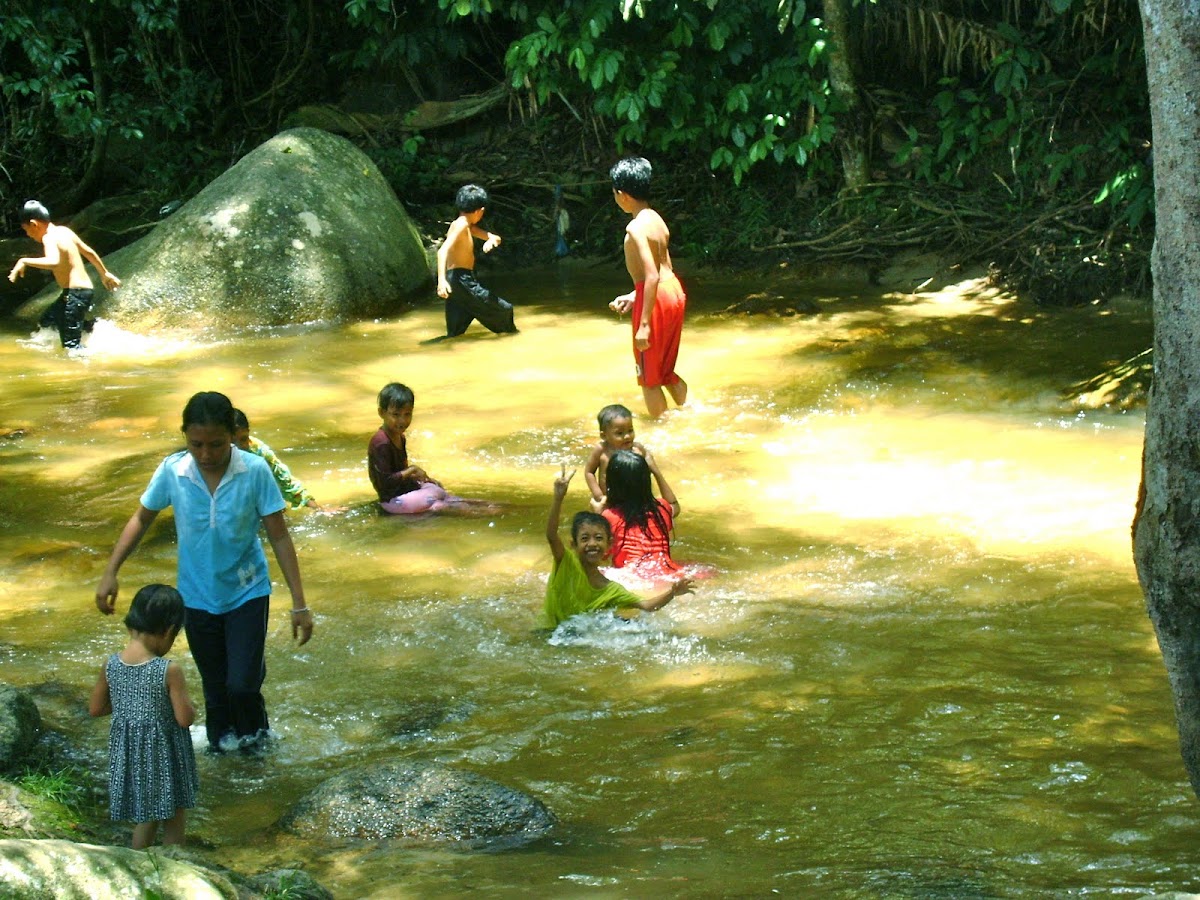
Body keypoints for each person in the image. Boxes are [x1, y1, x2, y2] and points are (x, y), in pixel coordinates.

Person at [95, 391, 314, 753]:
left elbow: (279, 535)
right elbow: (141, 518)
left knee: (242, 685)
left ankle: (257, 753)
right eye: (196, 444)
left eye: (216, 444)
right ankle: (222, 757)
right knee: (215, 689)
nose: (206, 455)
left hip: (247, 591)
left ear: (233, 435)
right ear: (184, 436)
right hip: (196, 596)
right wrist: (111, 571)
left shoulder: (254, 471)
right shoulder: (174, 470)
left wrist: (300, 604)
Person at [88, 583, 199, 850]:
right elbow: (184, 718)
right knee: (173, 812)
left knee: (146, 814)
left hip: (131, 754)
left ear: (131, 625)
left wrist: (132, 706)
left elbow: (96, 709)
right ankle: (174, 865)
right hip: (165, 754)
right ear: (169, 631)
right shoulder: (168, 669)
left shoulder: (111, 664)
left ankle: (137, 861)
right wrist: (192, 707)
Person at [543, 464, 691, 629]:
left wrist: (672, 593)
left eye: (598, 538)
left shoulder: (611, 589)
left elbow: (647, 606)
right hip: (548, 632)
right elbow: (551, 535)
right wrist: (558, 498)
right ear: (573, 545)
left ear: (609, 545)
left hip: (575, 638)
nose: (592, 544)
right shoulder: (567, 563)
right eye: (584, 538)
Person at [608, 158, 688, 418]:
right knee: (666, 372)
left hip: (656, 295)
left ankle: (666, 432)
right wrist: (635, 295)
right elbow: (661, 269)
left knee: (650, 380)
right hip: (673, 290)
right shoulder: (655, 218)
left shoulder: (635, 227)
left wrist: (643, 323)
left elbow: (651, 275)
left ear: (622, 195)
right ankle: (691, 412)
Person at [7, 199, 121, 349]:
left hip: (75, 294)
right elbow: (89, 252)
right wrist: (104, 273)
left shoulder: (49, 238)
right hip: (81, 292)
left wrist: (24, 261)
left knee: (71, 346)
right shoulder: (64, 231)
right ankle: (98, 330)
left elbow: (54, 261)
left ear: (34, 224)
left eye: (26, 229)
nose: (28, 234)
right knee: (48, 321)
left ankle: (96, 351)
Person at [436, 184, 518, 337]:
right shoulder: (460, 225)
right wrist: (441, 281)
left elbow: (494, 237)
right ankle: (514, 339)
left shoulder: (466, 224)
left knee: (455, 335)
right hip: (461, 280)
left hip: (456, 281)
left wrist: (491, 240)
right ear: (479, 211)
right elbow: (442, 251)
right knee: (505, 310)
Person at [233, 409, 341, 514]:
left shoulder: (257, 450)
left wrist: (319, 509)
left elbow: (286, 482)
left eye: (243, 439)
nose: (240, 447)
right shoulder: (218, 457)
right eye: (233, 442)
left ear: (248, 432)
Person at [369, 382, 455, 514]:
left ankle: (491, 508)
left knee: (438, 488)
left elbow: (399, 472)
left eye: (407, 414)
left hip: (402, 493)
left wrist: (417, 478)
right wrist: (411, 470)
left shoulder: (400, 437)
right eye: (396, 415)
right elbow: (385, 483)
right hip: (391, 501)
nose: (402, 421)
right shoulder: (381, 442)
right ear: (382, 413)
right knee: (439, 505)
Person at [601, 449, 683, 580]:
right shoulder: (661, 509)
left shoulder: (608, 516)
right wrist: (655, 470)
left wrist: (596, 515)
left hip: (631, 576)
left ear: (612, 484)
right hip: (667, 572)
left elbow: (601, 555)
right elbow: (674, 505)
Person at [584, 403, 678, 513]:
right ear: (604, 436)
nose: (627, 436)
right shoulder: (601, 450)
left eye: (630, 430)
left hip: (634, 502)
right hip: (608, 501)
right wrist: (599, 496)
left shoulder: (637, 450)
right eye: (619, 433)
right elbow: (589, 472)